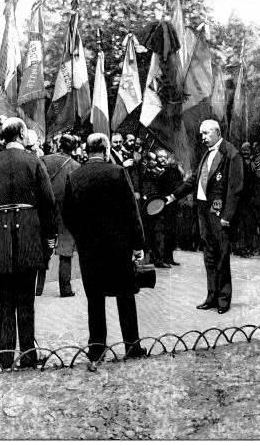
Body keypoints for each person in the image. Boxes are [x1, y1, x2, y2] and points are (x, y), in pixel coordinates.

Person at [0, 117, 57, 369]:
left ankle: (6, 357)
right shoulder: (34, 162)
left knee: (5, 301)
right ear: (22, 134)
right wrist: (50, 237)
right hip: (29, 235)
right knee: (26, 301)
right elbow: (48, 203)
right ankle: (28, 357)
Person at [63, 133, 147, 371]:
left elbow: (68, 215)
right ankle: (132, 346)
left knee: (95, 300)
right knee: (125, 297)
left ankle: (97, 348)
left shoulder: (74, 176)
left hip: (90, 250)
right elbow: (132, 211)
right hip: (118, 248)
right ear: (107, 150)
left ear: (87, 151)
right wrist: (138, 244)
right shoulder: (118, 172)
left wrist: (83, 237)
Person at [167, 120, 243, 314]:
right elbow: (195, 180)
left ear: (218, 132)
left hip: (219, 213)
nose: (203, 137)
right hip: (203, 210)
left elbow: (235, 189)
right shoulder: (207, 153)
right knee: (209, 256)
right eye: (201, 134)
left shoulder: (231, 154)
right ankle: (211, 297)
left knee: (222, 255)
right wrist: (174, 195)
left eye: (207, 133)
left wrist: (227, 215)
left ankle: (224, 299)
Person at [42, 134, 81, 297]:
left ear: (59, 144)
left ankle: (37, 289)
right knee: (65, 253)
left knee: (42, 248)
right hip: (66, 213)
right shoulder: (77, 166)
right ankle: (65, 288)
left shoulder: (44, 160)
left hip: (45, 209)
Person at [148, 148, 183, 267]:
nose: (163, 159)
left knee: (170, 231)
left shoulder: (170, 170)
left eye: (164, 156)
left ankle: (168, 257)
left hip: (170, 205)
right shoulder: (153, 172)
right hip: (158, 204)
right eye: (160, 157)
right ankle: (159, 259)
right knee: (159, 232)